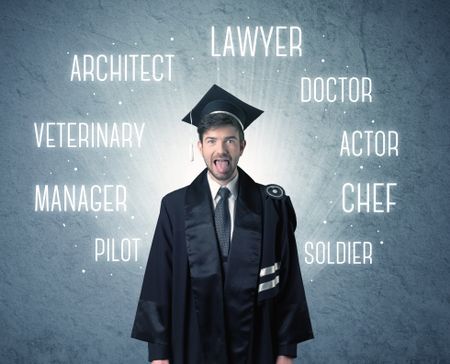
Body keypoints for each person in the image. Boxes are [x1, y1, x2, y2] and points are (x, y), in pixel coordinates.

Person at [131, 84, 314, 364]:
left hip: (256, 341)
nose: (221, 150)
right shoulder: (174, 207)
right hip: (191, 340)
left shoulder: (271, 205)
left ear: (242, 145)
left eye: (230, 140)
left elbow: (289, 283)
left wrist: (286, 353)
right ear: (200, 146)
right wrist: (158, 356)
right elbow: (159, 281)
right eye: (212, 140)